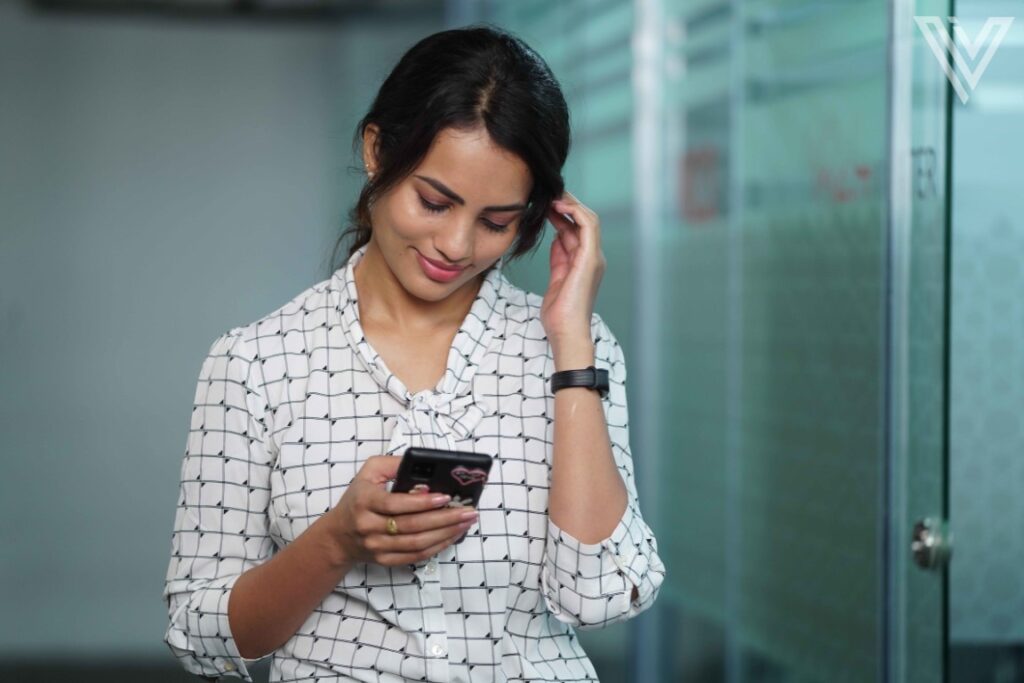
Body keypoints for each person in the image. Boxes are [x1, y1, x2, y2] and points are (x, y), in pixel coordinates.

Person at [163, 24, 664, 683]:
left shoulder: (577, 348)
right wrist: (337, 541)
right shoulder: (256, 365)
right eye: (434, 201)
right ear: (377, 151)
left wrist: (572, 345)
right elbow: (201, 636)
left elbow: (598, 594)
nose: (455, 245)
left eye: (496, 221)